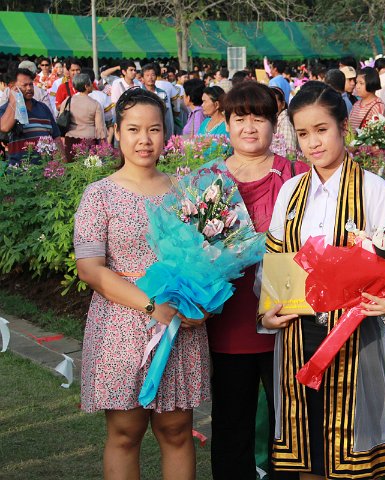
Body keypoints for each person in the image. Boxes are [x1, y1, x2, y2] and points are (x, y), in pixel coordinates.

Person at [262, 81, 385, 479]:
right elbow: (274, 265)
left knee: (353, 451)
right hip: (298, 335)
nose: (313, 142)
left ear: (343, 127)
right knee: (308, 448)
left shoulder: (373, 190)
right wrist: (267, 314)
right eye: (302, 134)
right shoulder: (291, 193)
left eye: (321, 129)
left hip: (354, 336)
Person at [74, 88, 210, 479]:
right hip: (122, 325)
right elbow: (91, 269)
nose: (144, 139)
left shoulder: (186, 191)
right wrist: (151, 306)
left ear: (166, 133)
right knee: (125, 432)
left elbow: (208, 258)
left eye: (153, 129)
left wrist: (200, 304)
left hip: (179, 325)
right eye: (133, 129)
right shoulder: (99, 195)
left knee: (177, 430)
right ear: (117, 133)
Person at [202, 82, 309, 479]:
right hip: (229, 322)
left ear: (273, 122)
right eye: (240, 118)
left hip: (289, 320)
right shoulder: (207, 181)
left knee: (291, 428)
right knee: (232, 426)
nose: (249, 127)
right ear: (226, 123)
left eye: (259, 118)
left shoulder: (297, 175)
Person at [0, 68, 63, 165]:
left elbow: (56, 138)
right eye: (24, 85)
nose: (29, 88)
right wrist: (14, 99)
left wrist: (62, 165)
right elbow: (4, 127)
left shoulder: (43, 108)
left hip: (46, 171)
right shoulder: (5, 110)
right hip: (21, 173)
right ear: (11, 86)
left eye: (30, 84)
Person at [58, 73, 107, 161]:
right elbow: (100, 128)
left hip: (70, 140)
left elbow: (61, 119)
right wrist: (104, 144)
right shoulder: (95, 104)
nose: (92, 85)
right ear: (86, 86)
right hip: (89, 141)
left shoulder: (67, 101)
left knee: (72, 169)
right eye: (90, 83)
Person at [140, 63, 174, 142]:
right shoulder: (139, 93)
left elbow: (166, 112)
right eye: (147, 75)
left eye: (153, 75)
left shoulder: (162, 93)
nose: (150, 78)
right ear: (142, 78)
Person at [348, 67, 384, 131]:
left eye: (361, 83)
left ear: (371, 84)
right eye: (357, 82)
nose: (357, 86)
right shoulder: (356, 104)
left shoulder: (378, 106)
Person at [270, 85, 299, 154]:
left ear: (283, 104)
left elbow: (290, 152)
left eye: (274, 102)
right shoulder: (274, 120)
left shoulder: (285, 122)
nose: (270, 105)